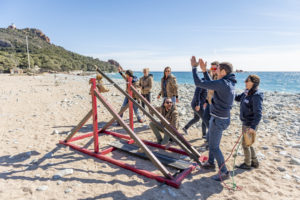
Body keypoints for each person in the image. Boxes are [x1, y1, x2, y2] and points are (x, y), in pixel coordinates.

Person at [191, 56, 237, 181]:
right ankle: (211, 163)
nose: (215, 71)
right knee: (211, 142)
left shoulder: (223, 83)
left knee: (214, 147)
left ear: (223, 72)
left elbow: (199, 83)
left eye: (218, 70)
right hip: (218, 118)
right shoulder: (229, 82)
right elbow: (212, 85)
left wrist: (194, 68)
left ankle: (224, 172)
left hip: (218, 120)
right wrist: (205, 71)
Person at [235, 75, 263, 169]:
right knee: (249, 143)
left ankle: (247, 164)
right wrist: (229, 90)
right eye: (245, 80)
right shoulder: (246, 92)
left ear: (253, 83)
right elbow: (237, 98)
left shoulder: (256, 95)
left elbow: (258, 114)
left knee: (245, 144)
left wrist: (253, 127)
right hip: (246, 122)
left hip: (250, 123)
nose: (245, 82)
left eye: (247, 80)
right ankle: (255, 162)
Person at [203, 62, 219, 143]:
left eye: (214, 68)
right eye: (211, 68)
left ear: (218, 68)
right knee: (205, 118)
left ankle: (211, 138)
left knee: (212, 122)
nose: (213, 70)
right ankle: (211, 134)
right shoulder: (211, 76)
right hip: (209, 102)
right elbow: (209, 89)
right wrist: (206, 101)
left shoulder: (220, 78)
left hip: (215, 104)